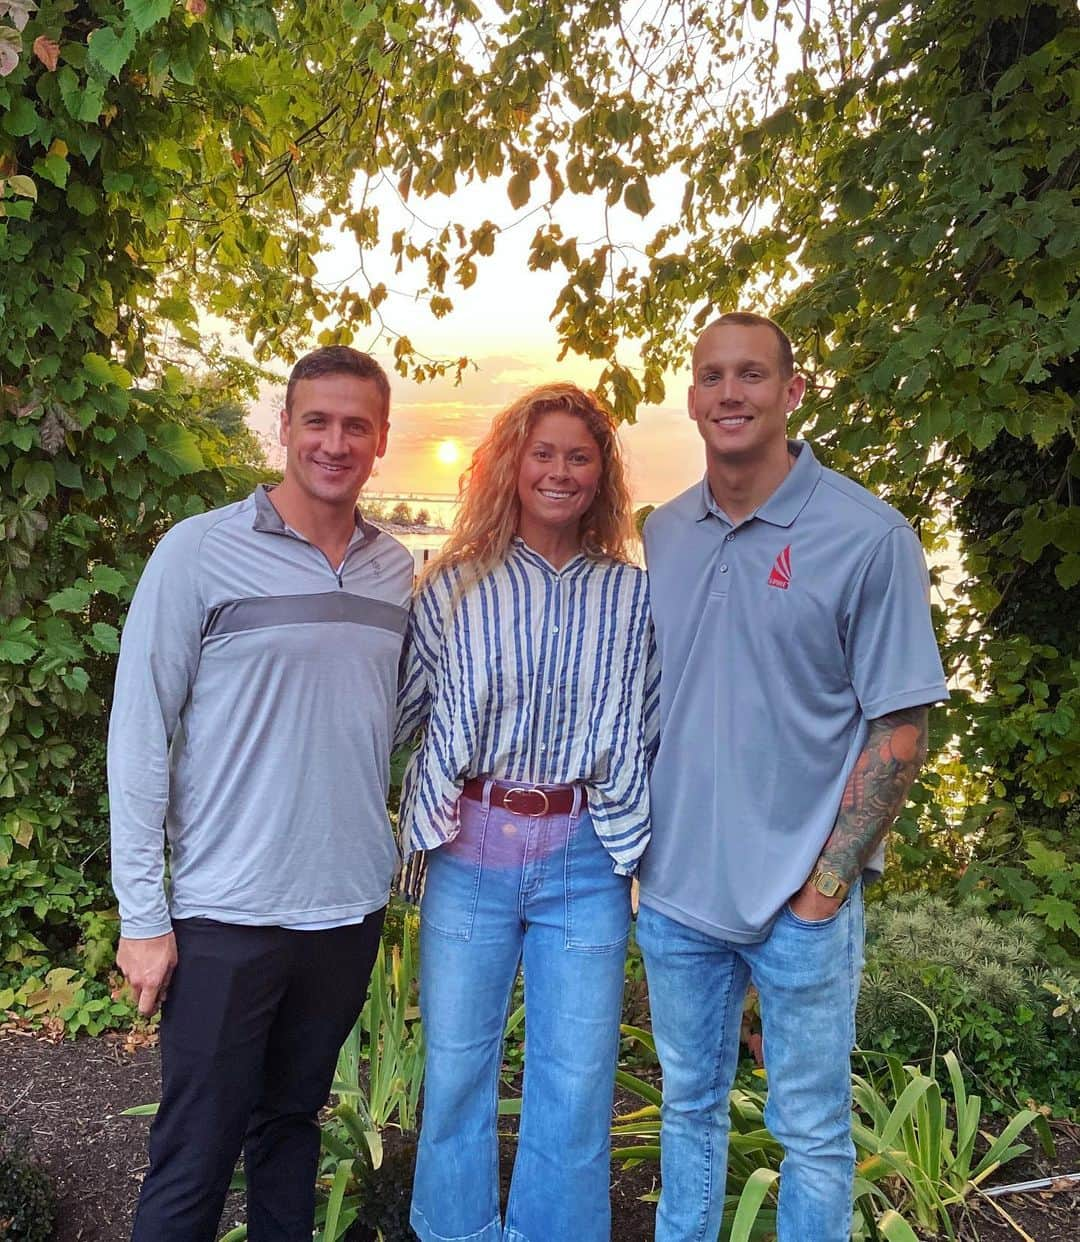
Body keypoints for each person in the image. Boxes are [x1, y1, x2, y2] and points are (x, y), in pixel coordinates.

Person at [637, 312, 949, 1242]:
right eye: (711, 376)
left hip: (800, 905)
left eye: (752, 376)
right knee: (687, 1112)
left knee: (811, 1134)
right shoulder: (666, 532)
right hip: (678, 896)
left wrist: (822, 893)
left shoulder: (867, 535)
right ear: (691, 398)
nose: (730, 393)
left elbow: (900, 729)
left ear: (791, 392)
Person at [108, 346, 413, 1242]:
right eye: (316, 420)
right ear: (283, 428)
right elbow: (138, 732)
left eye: (357, 424)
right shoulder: (199, 551)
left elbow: (389, 721)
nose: (335, 441)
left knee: (289, 1134)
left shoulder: (394, 572)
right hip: (224, 913)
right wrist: (142, 914)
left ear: (383, 438)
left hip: (345, 909)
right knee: (194, 1153)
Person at [396, 383, 655, 1242]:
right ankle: (455, 1232)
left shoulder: (632, 599)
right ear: (510, 464)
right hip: (469, 849)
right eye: (542, 452)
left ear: (601, 475)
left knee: (577, 1084)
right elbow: (396, 713)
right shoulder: (453, 587)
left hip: (586, 857)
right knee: (459, 1072)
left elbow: (655, 729)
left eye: (579, 456)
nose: (559, 470)